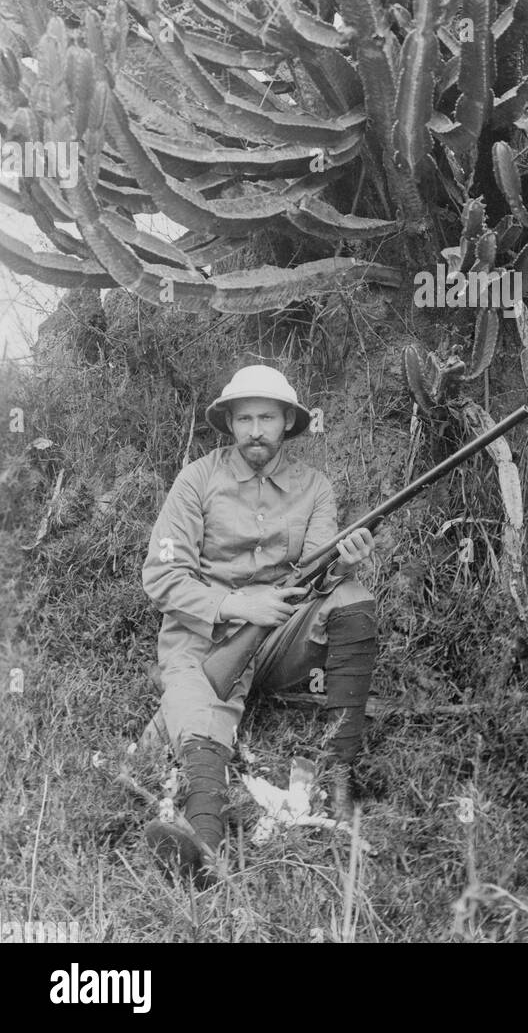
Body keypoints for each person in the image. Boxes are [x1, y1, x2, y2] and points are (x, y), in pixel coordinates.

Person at [139, 364, 378, 875]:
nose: (254, 430)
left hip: (279, 637)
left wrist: (345, 564)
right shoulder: (196, 480)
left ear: (288, 421)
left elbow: (322, 578)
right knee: (202, 723)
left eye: (266, 417)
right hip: (201, 638)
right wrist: (235, 605)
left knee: (354, 599)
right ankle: (204, 847)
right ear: (229, 422)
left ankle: (338, 778)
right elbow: (161, 576)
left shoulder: (315, 488)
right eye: (244, 418)